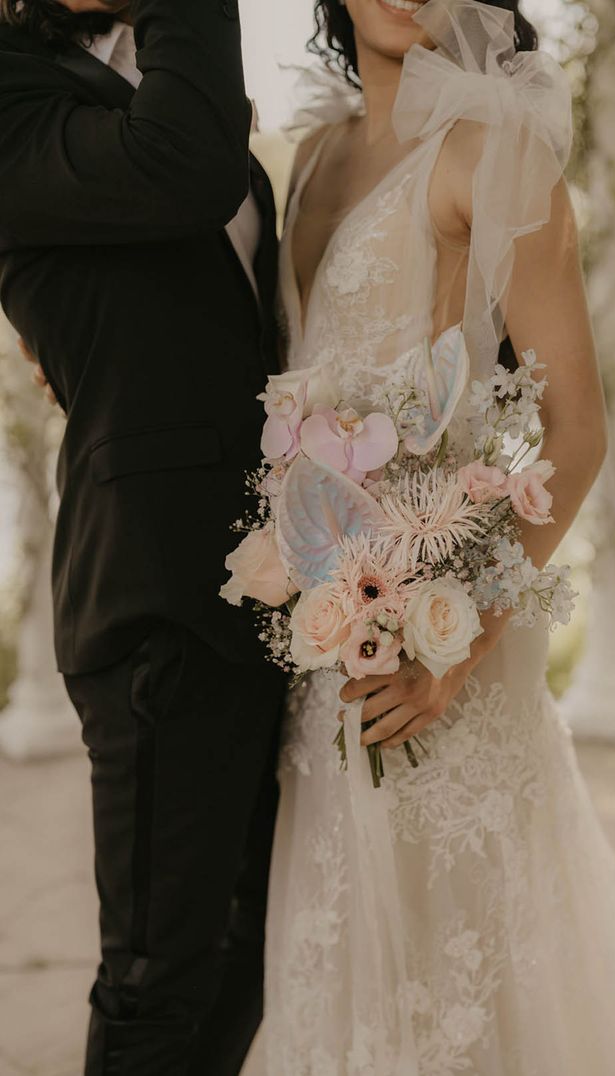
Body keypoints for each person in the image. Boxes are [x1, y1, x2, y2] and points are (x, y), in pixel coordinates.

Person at [241, 1, 615, 1073]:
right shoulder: (309, 157)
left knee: (471, 970)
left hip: (440, 654)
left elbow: (576, 431)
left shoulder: (492, 152)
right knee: (344, 954)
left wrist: (460, 639)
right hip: (322, 653)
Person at [0, 0, 286, 1072]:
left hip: (273, 585)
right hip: (156, 595)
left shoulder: (156, 68)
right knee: (157, 976)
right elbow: (185, 163)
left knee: (253, 949)